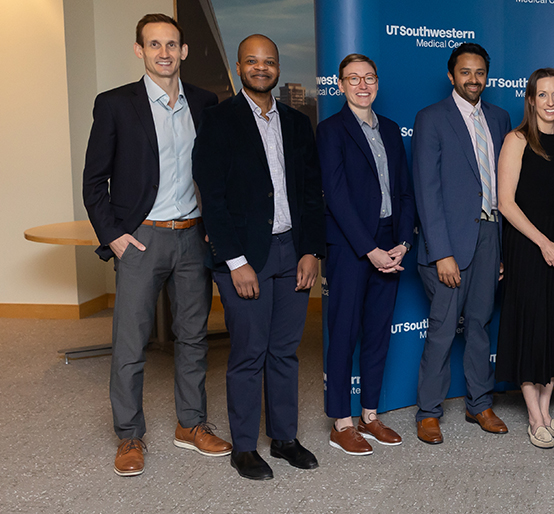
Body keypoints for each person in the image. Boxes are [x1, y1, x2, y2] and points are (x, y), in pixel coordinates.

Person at [81, 13, 230, 478]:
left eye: (172, 44)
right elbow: (93, 182)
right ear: (139, 51)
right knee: (130, 343)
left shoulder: (206, 103)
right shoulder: (114, 104)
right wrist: (115, 237)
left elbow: (217, 172)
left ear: (184, 52)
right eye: (154, 44)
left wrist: (214, 225)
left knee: (193, 338)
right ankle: (129, 434)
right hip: (141, 239)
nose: (164, 53)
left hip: (192, 238)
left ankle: (192, 424)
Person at [192, 34, 326, 480]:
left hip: (292, 250)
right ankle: (245, 447)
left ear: (278, 67)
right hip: (246, 256)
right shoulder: (217, 121)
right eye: (252, 61)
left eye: (269, 61)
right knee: (249, 352)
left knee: (285, 352)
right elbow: (211, 198)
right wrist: (234, 262)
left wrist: (311, 251)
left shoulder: (296, 122)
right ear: (238, 67)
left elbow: (310, 194)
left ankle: (284, 438)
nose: (261, 68)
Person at [411, 43, 512, 444]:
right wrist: (441, 253)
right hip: (450, 244)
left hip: (490, 236)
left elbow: (505, 188)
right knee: (441, 330)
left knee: (480, 326)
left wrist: (503, 248)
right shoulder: (431, 119)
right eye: (465, 72)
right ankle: (429, 412)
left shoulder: (500, 118)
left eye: (480, 72)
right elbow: (426, 190)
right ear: (452, 76)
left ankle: (479, 404)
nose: (473, 79)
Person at [316, 53, 416, 455]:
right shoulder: (330, 130)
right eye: (353, 79)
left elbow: (405, 191)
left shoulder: (391, 130)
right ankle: (341, 422)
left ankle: (369, 415)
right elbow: (336, 197)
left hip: (391, 242)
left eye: (369, 78)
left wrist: (404, 242)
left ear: (377, 83)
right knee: (344, 332)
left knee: (378, 332)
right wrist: (370, 249)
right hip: (351, 246)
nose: (362, 85)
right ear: (340, 85)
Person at [494, 68, 554, 449]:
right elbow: (505, 203)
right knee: (531, 325)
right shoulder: (516, 141)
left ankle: (547, 412)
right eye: (542, 94)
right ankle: (534, 418)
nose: (550, 102)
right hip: (528, 246)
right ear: (530, 99)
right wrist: (543, 243)